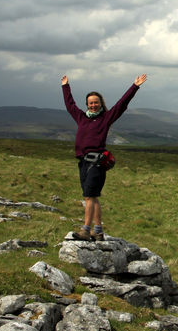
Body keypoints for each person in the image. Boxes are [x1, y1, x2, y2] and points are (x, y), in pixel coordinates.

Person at [61, 73, 147, 241]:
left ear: (101, 104)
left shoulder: (106, 118)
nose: (93, 105)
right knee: (92, 196)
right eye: (91, 103)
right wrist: (65, 86)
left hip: (97, 162)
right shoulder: (81, 118)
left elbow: (122, 104)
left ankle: (86, 230)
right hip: (83, 161)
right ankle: (98, 231)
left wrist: (135, 86)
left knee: (89, 196)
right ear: (87, 104)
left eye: (96, 103)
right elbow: (70, 104)